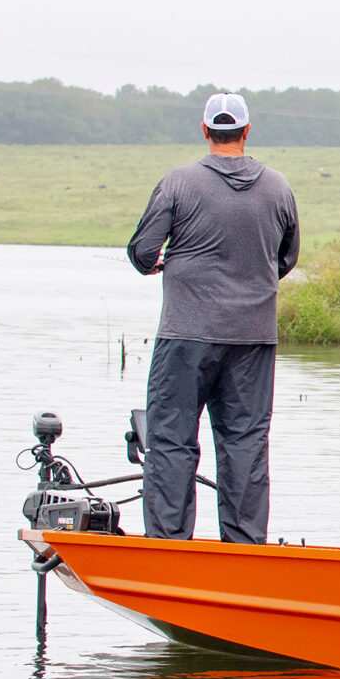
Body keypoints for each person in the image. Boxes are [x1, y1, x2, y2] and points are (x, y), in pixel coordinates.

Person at [126, 93, 300, 542]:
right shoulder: (279, 187)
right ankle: (243, 550)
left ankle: (168, 545)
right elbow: (287, 257)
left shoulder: (178, 183)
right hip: (254, 340)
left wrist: (156, 265)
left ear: (205, 131)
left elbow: (143, 251)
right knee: (245, 443)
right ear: (246, 131)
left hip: (185, 335)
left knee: (171, 440)